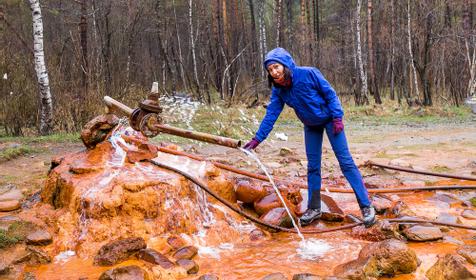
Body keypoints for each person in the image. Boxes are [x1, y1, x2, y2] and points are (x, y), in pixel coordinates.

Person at [243, 47, 376, 227]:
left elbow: (330, 94)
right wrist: (258, 138)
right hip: (311, 125)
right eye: (270, 70)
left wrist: (337, 116)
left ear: (285, 64)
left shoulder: (309, 74)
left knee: (346, 162)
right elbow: (271, 114)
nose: (274, 72)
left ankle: (366, 207)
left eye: (276, 67)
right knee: (313, 167)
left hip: (330, 120)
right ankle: (314, 208)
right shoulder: (279, 90)